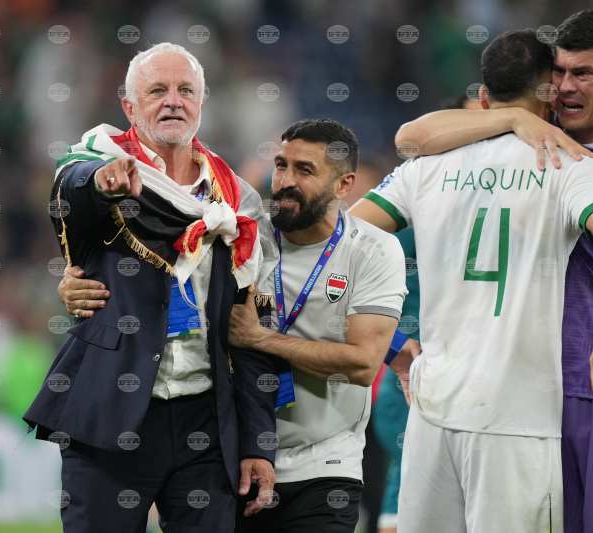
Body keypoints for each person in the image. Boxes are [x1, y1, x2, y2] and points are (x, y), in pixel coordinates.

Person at [393, 10, 593, 533]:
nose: (565, 86)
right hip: (525, 400)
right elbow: (412, 137)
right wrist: (517, 120)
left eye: (583, 73)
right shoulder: (530, 141)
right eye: (558, 73)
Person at [60, 118, 413, 533]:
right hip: (234, 454)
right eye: (281, 165)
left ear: (343, 185)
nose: (285, 181)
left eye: (305, 170)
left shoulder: (373, 250)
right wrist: (75, 281)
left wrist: (260, 338)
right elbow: (146, 271)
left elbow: (363, 365)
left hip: (325, 461)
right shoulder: (234, 231)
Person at [348, 29, 593, 532]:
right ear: (549, 96)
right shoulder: (567, 162)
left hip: (433, 411)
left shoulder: (425, 166)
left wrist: (390, 341)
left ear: (483, 98)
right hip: (516, 420)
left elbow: (343, 239)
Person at [23, 43, 278, 533]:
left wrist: (258, 444)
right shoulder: (105, 164)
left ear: (201, 103)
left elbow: (253, 334)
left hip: (207, 422)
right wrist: (101, 182)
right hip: (112, 412)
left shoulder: (236, 202)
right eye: (157, 90)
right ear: (129, 107)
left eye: (186, 91)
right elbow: (72, 190)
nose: (173, 101)